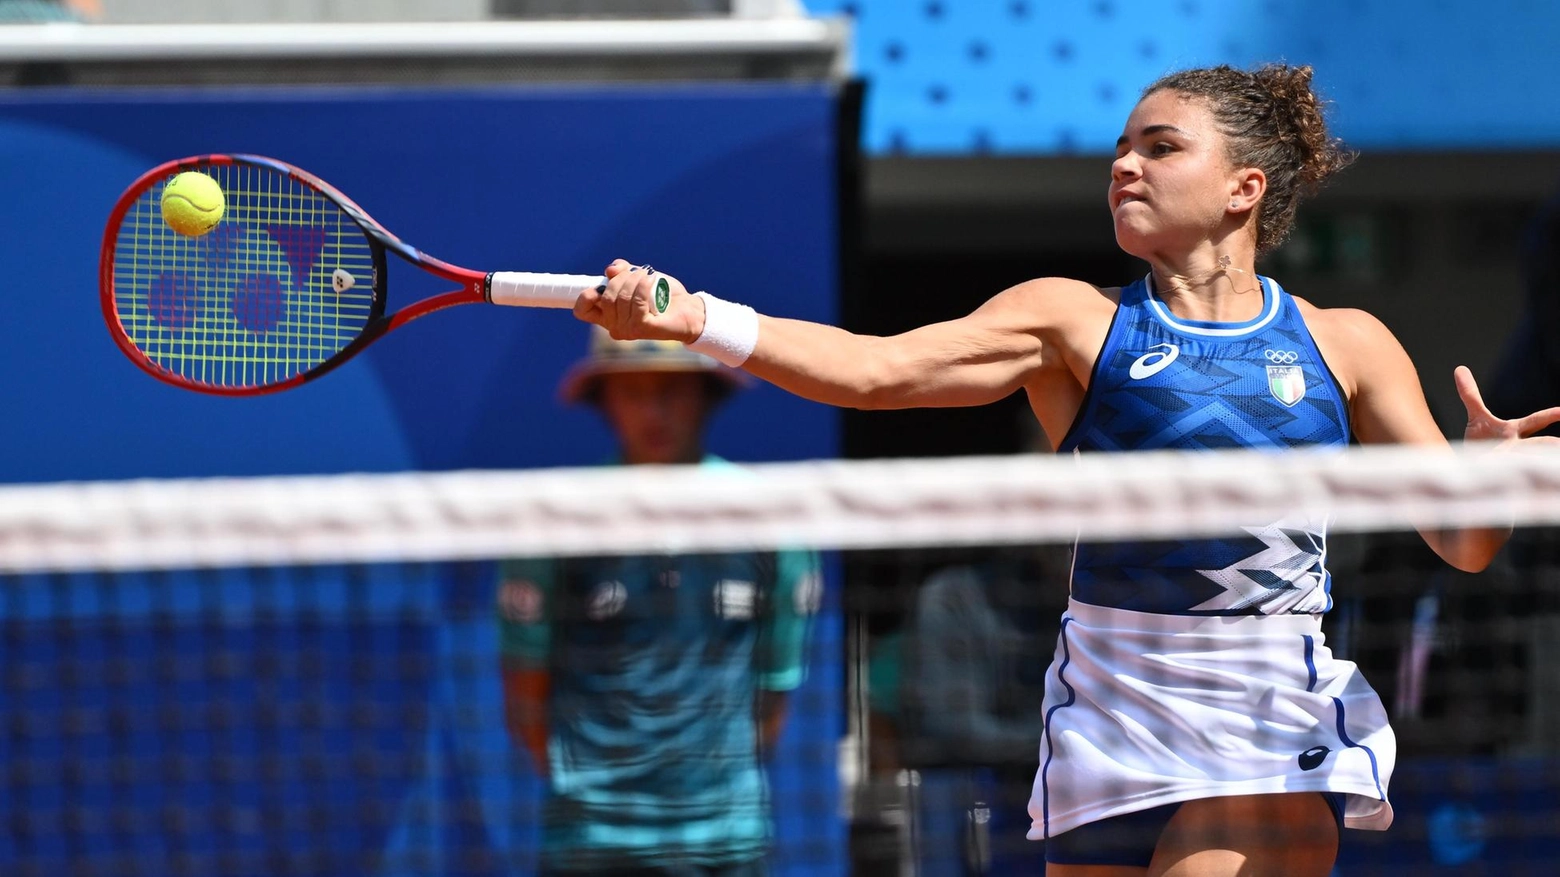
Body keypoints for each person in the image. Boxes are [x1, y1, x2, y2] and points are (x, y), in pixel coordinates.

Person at [567, 64, 1560, 876]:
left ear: (1243, 187)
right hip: (1107, 711)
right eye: (1120, 149)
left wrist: (1491, 478)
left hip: (1263, 715)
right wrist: (697, 320)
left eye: (1160, 147)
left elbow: (1465, 547)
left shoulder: (1346, 345)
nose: (1125, 164)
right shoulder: (1072, 320)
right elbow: (876, 372)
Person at [496, 327, 820, 876]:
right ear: (604, 401)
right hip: (591, 838)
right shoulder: (555, 522)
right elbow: (525, 697)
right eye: (633, 391)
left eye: (672, 389)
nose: (654, 410)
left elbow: (774, 696)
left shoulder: (770, 520)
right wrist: (594, 793)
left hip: (725, 839)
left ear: (706, 396)